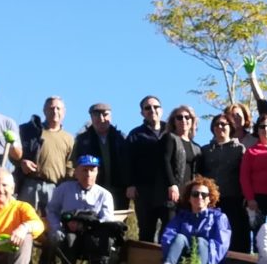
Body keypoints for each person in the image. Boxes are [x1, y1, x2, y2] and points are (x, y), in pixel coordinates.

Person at [44, 155, 118, 264]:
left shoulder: (104, 195)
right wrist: (57, 227)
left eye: (92, 170)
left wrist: (85, 225)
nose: (88, 174)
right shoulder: (64, 189)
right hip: (68, 230)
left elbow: (107, 220)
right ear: (76, 172)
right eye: (84, 170)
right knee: (65, 239)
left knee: (101, 239)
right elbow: (52, 210)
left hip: (93, 232)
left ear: (97, 172)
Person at [16, 96, 74, 221]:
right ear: (44, 111)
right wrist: (21, 162)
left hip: (55, 188)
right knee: (25, 221)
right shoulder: (30, 130)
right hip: (30, 184)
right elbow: (14, 153)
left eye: (58, 108)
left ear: (64, 112)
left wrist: (66, 186)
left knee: (53, 224)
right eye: (51, 108)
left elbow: (70, 165)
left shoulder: (69, 138)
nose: (55, 111)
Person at [159, 176, 232, 264]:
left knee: (201, 241)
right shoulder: (181, 217)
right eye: (195, 194)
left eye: (204, 195)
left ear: (209, 198)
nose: (200, 197)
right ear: (189, 198)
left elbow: (221, 244)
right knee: (180, 237)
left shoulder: (218, 218)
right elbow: (168, 236)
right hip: (181, 263)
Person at [199, 114, 249, 253]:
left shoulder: (239, 149)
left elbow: (244, 174)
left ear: (231, 127)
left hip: (234, 199)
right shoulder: (205, 150)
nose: (220, 127)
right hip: (210, 201)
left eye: (224, 124)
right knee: (210, 235)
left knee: (235, 235)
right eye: (217, 124)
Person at [125, 95, 167, 241]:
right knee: (146, 228)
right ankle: (145, 263)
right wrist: (130, 184)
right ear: (142, 113)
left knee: (169, 228)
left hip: (166, 189)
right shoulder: (135, 134)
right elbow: (127, 162)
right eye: (147, 108)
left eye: (156, 107)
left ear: (161, 110)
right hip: (144, 190)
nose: (152, 110)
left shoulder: (171, 131)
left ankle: (167, 262)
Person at [73, 102, 127, 211]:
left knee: (118, 223)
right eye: (97, 115)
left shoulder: (121, 138)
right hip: (93, 189)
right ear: (91, 118)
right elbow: (76, 163)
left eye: (105, 115)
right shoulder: (83, 140)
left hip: (119, 190)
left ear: (110, 116)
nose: (101, 119)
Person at [159, 105, 203, 221]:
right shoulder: (170, 138)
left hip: (189, 195)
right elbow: (165, 161)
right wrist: (172, 185)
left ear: (192, 121)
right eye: (179, 117)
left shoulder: (196, 147)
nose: (183, 120)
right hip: (172, 193)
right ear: (173, 121)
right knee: (170, 226)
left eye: (187, 117)